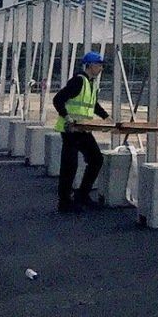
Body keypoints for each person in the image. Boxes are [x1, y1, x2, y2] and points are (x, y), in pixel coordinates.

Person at [51, 50, 108, 212]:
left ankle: (82, 195)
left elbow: (93, 105)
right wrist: (67, 117)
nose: (101, 69)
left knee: (96, 159)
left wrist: (106, 118)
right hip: (70, 130)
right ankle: (64, 202)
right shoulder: (78, 81)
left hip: (83, 130)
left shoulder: (91, 84)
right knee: (70, 165)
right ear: (90, 65)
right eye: (99, 65)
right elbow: (58, 99)